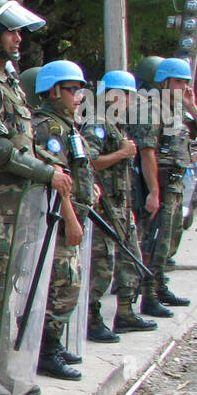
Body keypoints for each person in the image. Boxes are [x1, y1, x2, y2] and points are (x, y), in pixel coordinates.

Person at [0, 0, 73, 395]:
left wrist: (49, 168)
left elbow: (24, 144)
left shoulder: (9, 83)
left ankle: (8, 373)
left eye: (18, 32)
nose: (18, 39)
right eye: (10, 31)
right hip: (5, 206)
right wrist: (47, 174)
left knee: (15, 292)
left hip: (23, 207)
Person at [30, 61, 97, 380]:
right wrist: (71, 219)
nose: (78, 97)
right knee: (64, 284)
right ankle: (46, 349)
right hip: (57, 220)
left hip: (73, 213)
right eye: (73, 90)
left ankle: (51, 344)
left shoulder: (66, 124)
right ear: (54, 91)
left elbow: (76, 168)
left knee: (68, 283)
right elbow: (56, 178)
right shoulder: (49, 127)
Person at [130, 56, 197, 315]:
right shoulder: (151, 108)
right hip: (161, 182)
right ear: (164, 82)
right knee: (154, 241)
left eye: (186, 82)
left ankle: (160, 285)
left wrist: (193, 106)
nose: (183, 86)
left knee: (169, 240)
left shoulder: (178, 109)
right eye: (178, 81)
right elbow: (147, 152)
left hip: (176, 183)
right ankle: (148, 295)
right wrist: (154, 191)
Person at [83, 71, 156, 339]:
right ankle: (92, 319)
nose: (129, 101)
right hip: (103, 207)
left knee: (130, 259)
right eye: (126, 95)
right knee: (102, 266)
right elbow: (88, 161)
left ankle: (125, 312)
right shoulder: (96, 123)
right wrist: (123, 153)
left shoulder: (115, 124)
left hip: (121, 205)